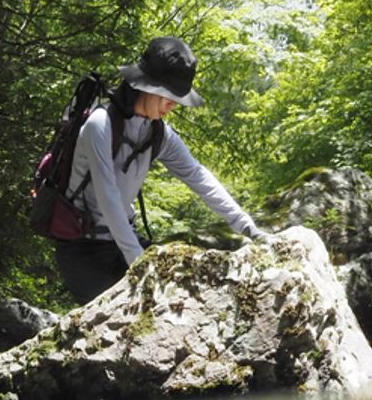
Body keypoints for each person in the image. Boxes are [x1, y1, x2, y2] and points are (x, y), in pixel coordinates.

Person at [55, 36, 265, 304]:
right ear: (146, 87)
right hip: (82, 251)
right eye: (169, 96)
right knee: (137, 316)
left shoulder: (158, 133)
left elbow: (198, 176)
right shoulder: (100, 125)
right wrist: (140, 265)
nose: (174, 105)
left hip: (121, 243)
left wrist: (248, 228)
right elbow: (108, 198)